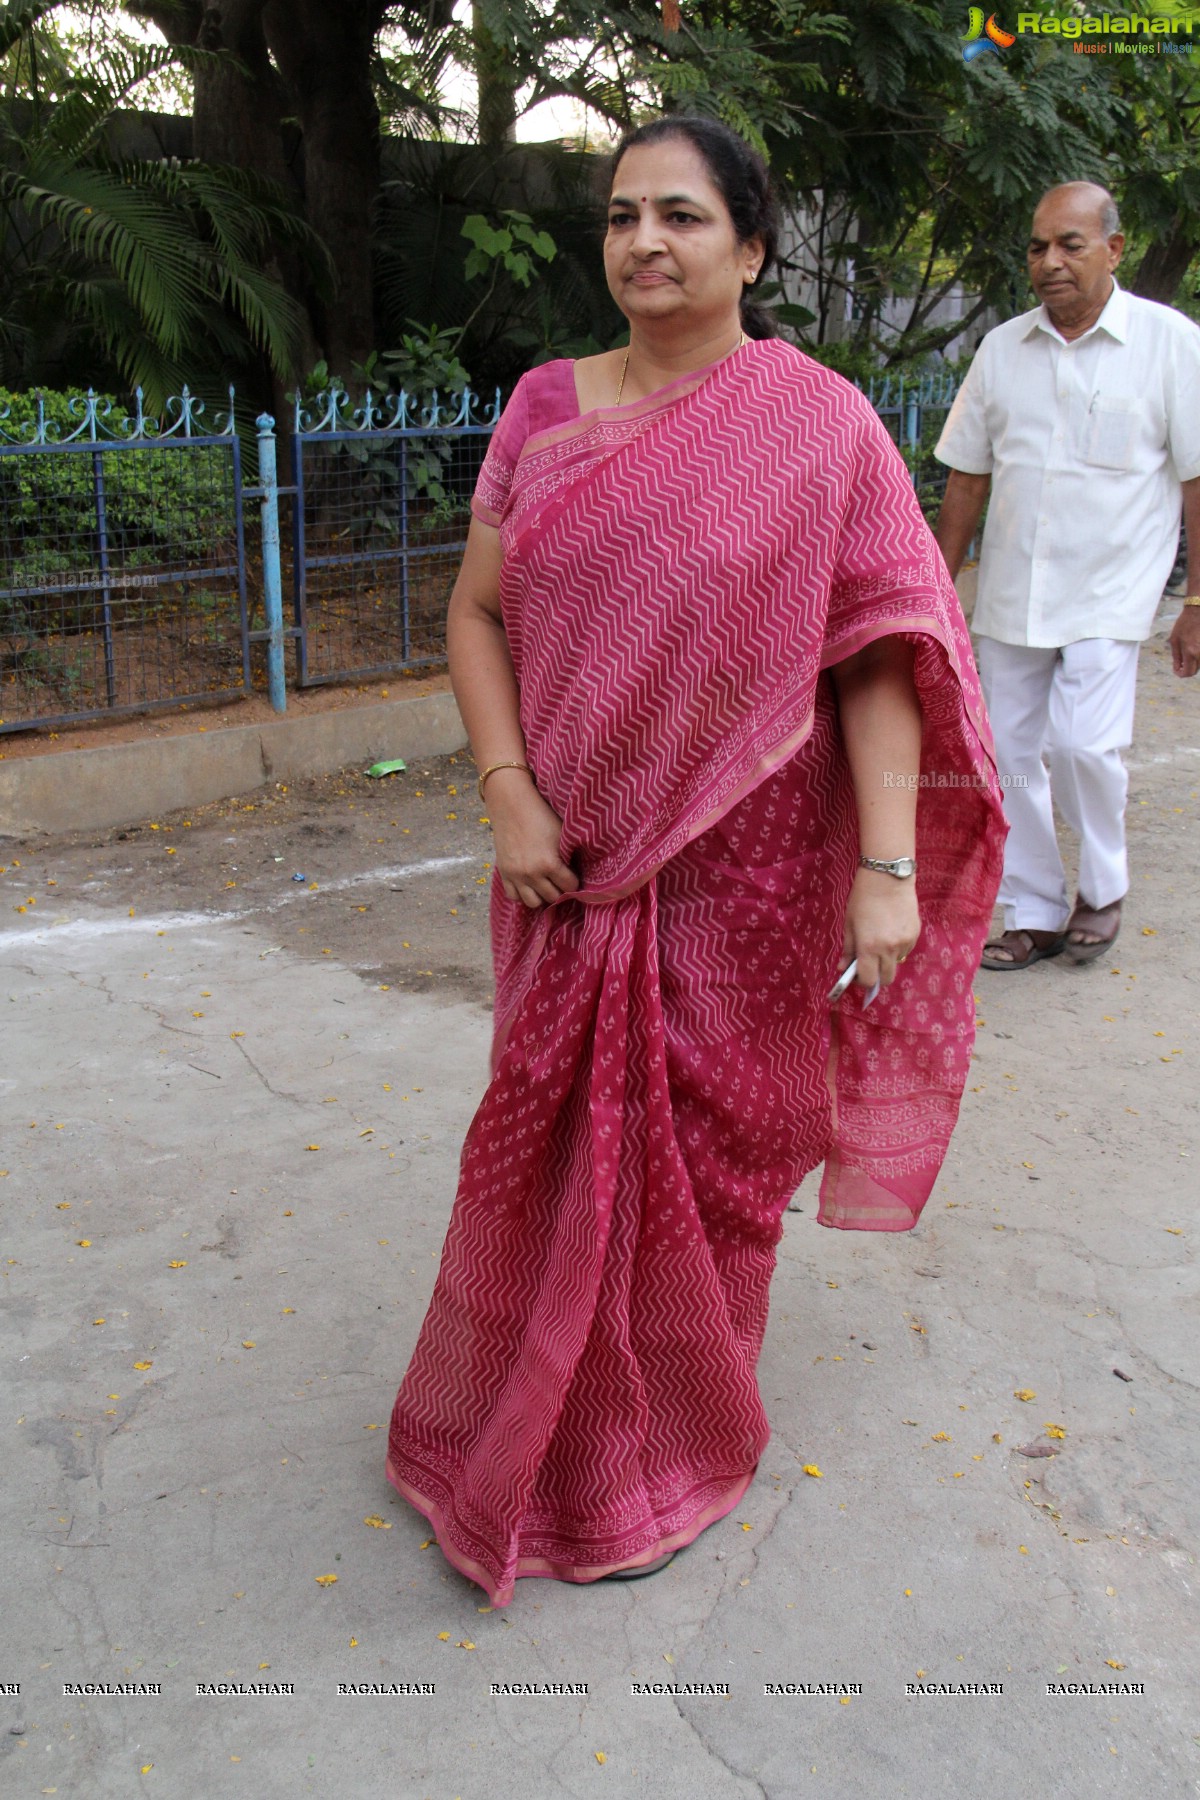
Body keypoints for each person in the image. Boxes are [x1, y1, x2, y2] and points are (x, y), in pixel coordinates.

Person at [386, 117, 1004, 1607]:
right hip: (570, 862)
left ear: (750, 244)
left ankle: (666, 1444)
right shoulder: (543, 408)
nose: (643, 242)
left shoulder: (821, 427)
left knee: (719, 1160)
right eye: (619, 217)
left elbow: (874, 664)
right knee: (542, 1145)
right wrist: (509, 792)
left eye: (679, 215)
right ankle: (532, 1425)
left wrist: (887, 867)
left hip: (751, 878)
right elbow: (478, 617)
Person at [934, 181, 1200, 972]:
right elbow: (967, 479)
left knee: (1085, 746)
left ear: (1113, 249)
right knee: (1010, 754)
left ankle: (1104, 890)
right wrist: (937, 589)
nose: (1050, 262)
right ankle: (1037, 908)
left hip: (1111, 592)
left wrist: (1197, 600)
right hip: (1012, 593)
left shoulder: (1170, 344)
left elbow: (1196, 480)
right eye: (1038, 246)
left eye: (1071, 244)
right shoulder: (1001, 350)